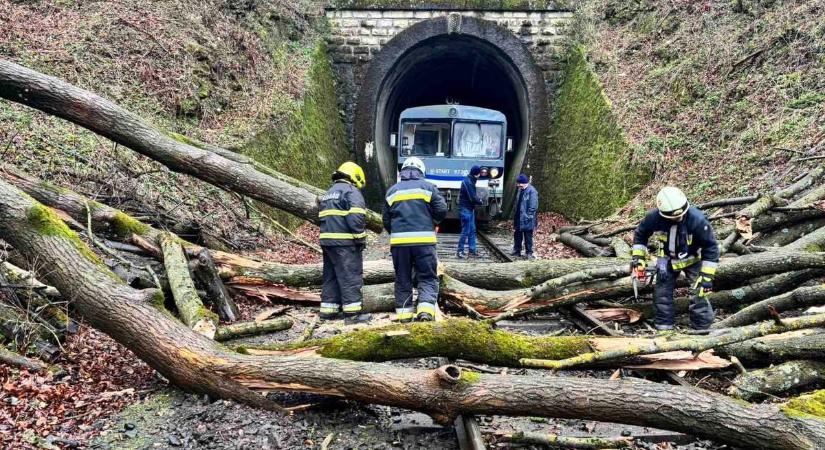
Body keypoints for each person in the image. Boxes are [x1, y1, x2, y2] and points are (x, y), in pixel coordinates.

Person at [631, 186, 719, 330]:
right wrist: (638, 258)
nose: (678, 218)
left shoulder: (697, 220)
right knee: (662, 293)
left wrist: (707, 276)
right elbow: (641, 234)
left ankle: (703, 328)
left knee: (699, 292)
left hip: (693, 259)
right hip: (667, 260)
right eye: (674, 217)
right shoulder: (654, 218)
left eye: (680, 215)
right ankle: (664, 327)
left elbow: (711, 247)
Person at [383, 156, 448, 322]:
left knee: (402, 278)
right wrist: (430, 222)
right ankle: (425, 312)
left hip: (399, 245)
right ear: (421, 171)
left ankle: (404, 317)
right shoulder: (429, 188)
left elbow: (386, 220)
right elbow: (441, 210)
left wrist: (397, 232)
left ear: (402, 171)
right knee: (427, 276)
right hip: (424, 243)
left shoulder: (392, 191)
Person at [317, 161, 371, 325]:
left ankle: (328, 310)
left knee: (331, 275)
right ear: (355, 177)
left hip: (327, 241)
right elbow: (356, 218)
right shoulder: (351, 191)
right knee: (350, 276)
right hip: (345, 242)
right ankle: (352, 314)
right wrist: (361, 238)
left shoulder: (329, 192)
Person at [456, 165, 483, 259]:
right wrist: (480, 201)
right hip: (465, 210)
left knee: (472, 230)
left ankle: (472, 250)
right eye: (479, 173)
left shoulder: (470, 180)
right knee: (465, 231)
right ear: (477, 174)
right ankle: (460, 251)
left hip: (469, 209)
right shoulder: (468, 182)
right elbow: (472, 197)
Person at [511, 173, 538, 259]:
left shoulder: (532, 191)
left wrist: (528, 216)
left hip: (527, 218)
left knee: (528, 236)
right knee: (517, 235)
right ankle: (517, 251)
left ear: (525, 183)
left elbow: (533, 206)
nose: (518, 185)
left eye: (519, 184)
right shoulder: (520, 190)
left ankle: (529, 252)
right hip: (519, 217)